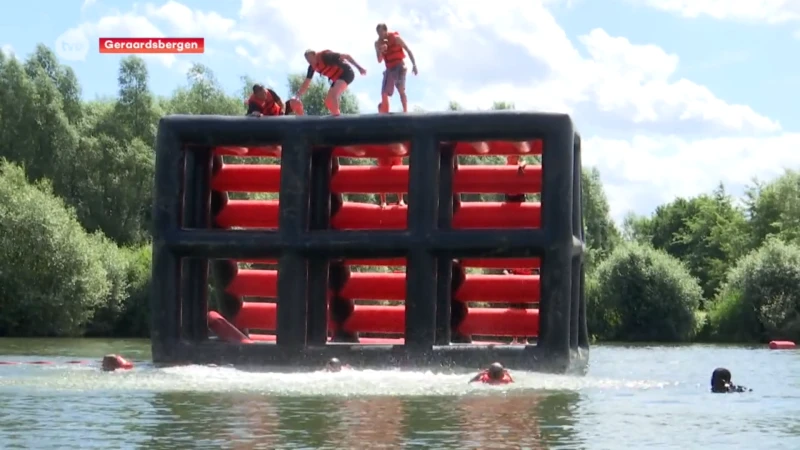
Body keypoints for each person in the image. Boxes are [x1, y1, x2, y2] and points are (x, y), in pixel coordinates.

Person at [294, 50, 366, 116]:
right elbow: (307, 82)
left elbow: (347, 56)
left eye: (310, 59)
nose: (310, 62)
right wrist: (298, 95)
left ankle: (338, 119)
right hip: (337, 79)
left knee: (332, 96)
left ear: (315, 55)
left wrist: (359, 68)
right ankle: (336, 116)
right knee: (328, 102)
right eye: (308, 61)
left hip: (346, 73)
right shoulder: (312, 67)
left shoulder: (326, 56)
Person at [375, 23, 418, 113]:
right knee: (384, 92)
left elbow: (408, 50)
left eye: (382, 32)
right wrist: (381, 51)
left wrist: (414, 65)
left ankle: (405, 111)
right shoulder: (377, 44)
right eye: (378, 33)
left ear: (386, 31)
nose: (380, 35)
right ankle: (384, 112)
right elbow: (379, 60)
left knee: (401, 89)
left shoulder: (396, 38)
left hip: (399, 66)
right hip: (389, 69)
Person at [376, 104, 405, 207]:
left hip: (394, 152)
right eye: (381, 110)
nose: (383, 112)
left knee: (398, 175)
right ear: (378, 111)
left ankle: (401, 199)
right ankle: (383, 201)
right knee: (382, 176)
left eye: (384, 109)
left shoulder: (392, 120)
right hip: (383, 152)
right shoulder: (376, 124)